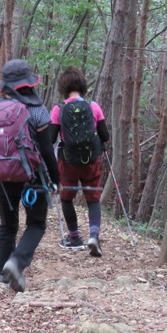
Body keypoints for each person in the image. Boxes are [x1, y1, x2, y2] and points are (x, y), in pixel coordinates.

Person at [0, 59, 60, 292]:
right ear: (29, 84)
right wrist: (56, 179)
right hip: (32, 176)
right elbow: (47, 151)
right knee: (37, 224)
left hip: (1, 175)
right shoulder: (39, 112)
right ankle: (17, 262)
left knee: (7, 224)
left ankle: (2, 272)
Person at [49, 66, 110, 257]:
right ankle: (94, 235)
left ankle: (74, 237)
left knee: (67, 198)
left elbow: (51, 138)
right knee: (93, 199)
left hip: (68, 162)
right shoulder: (94, 107)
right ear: (82, 85)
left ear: (63, 88)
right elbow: (105, 136)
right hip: (92, 160)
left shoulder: (59, 109)